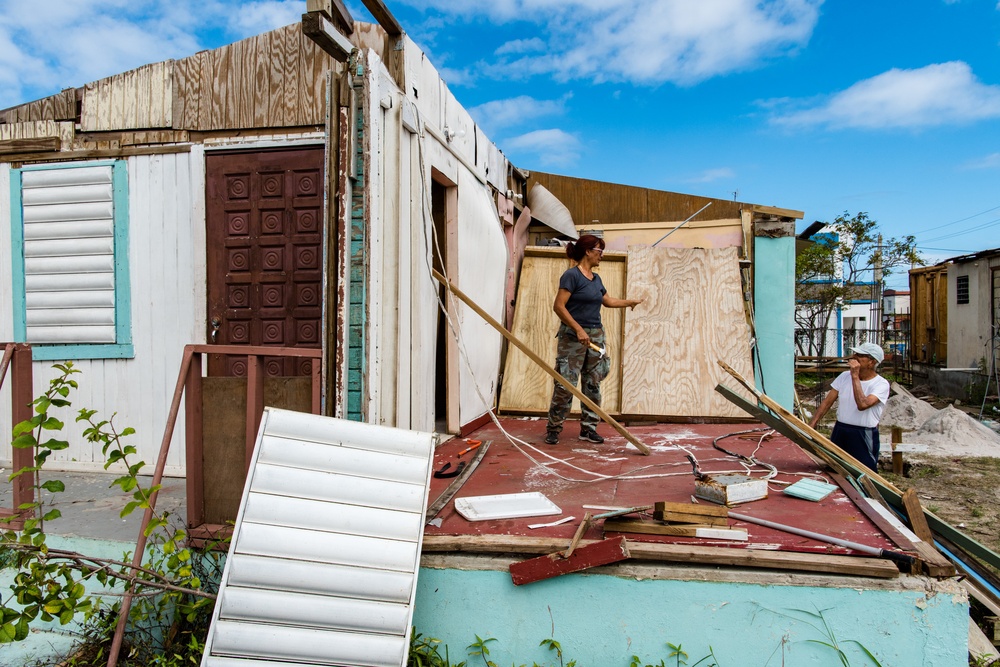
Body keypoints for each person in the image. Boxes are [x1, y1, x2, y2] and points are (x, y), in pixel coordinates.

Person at [544, 235, 643, 445]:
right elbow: (559, 306)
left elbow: (607, 301)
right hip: (573, 337)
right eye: (599, 250)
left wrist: (629, 302)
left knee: (593, 384)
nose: (602, 255)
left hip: (596, 335)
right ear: (588, 251)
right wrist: (579, 329)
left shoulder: (596, 279)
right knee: (565, 385)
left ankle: (588, 429)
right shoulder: (571, 276)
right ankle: (553, 428)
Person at [809, 342, 891, 470]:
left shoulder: (881, 384)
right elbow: (827, 402)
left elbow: (863, 404)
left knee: (865, 471)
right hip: (841, 430)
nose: (854, 357)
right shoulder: (844, 376)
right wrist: (812, 425)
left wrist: (854, 376)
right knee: (835, 469)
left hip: (863, 434)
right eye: (855, 353)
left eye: (860, 355)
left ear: (871, 362)